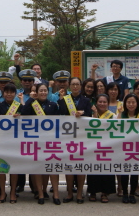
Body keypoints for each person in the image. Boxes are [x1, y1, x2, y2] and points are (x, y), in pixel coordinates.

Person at [22, 83, 60, 205]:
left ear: (48, 92)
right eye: (41, 91)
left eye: (45, 90)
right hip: (35, 140)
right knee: (37, 167)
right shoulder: (32, 104)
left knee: (52, 167)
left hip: (50, 140)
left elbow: (59, 120)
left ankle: (55, 194)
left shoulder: (52, 105)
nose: (43, 93)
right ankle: (40, 193)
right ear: (36, 92)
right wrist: (30, 99)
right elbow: (24, 113)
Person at [0, 82, 24, 203]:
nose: (9, 94)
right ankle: (2, 193)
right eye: (7, 92)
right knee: (0, 168)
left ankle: (13, 192)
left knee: (14, 168)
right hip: (0, 141)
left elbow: (27, 114)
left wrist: (21, 106)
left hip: (14, 141)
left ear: (15, 94)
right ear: (3, 93)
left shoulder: (18, 105)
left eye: (12, 92)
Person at [58, 76, 92, 204]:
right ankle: (69, 193)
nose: (75, 86)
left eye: (77, 84)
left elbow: (90, 116)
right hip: (68, 136)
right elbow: (61, 112)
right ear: (69, 86)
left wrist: (83, 114)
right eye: (73, 84)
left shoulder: (86, 100)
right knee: (69, 165)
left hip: (82, 137)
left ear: (81, 86)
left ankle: (79, 193)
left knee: (81, 166)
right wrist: (61, 98)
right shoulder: (66, 99)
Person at [87, 94, 116, 204]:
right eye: (100, 101)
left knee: (106, 170)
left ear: (108, 103)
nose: (102, 104)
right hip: (93, 147)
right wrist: (94, 114)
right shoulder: (90, 115)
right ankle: (93, 192)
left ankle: (105, 192)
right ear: (96, 103)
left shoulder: (113, 116)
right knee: (93, 169)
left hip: (107, 146)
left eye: (104, 102)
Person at [119, 94, 139, 204]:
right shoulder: (122, 114)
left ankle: (132, 194)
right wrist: (119, 112)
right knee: (124, 171)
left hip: (137, 148)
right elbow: (116, 125)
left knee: (134, 172)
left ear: (137, 104)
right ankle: (125, 193)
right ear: (125, 104)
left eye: (133, 102)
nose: (131, 104)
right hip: (124, 147)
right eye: (128, 102)